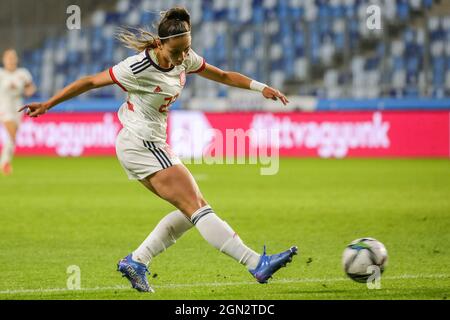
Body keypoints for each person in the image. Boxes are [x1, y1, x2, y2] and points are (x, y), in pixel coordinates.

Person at [21, 7, 297, 293]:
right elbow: (89, 82)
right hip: (140, 143)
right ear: (160, 44)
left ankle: (137, 261)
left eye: (186, 51)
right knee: (198, 208)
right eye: (176, 52)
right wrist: (47, 104)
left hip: (150, 143)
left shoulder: (184, 57)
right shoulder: (137, 68)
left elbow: (224, 76)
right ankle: (256, 263)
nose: (181, 59)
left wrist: (260, 87)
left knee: (190, 212)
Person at [0, 49, 36, 175]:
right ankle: (4, 162)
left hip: (18, 107)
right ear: (4, 60)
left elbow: (30, 87)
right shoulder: (1, 74)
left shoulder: (23, 73)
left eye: (13, 57)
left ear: (16, 59)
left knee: (12, 137)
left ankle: (4, 162)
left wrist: (29, 91)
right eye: (8, 57)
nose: (11, 60)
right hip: (4, 106)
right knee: (12, 134)